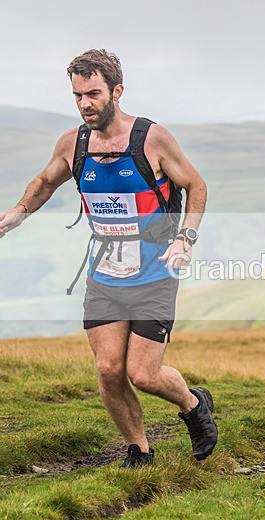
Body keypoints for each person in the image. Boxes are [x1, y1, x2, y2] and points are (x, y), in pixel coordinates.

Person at [0, 49, 216, 467]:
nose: (85, 103)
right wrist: (18, 212)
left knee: (143, 374)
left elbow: (196, 185)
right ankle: (140, 449)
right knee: (108, 370)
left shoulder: (151, 139)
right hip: (105, 272)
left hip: (156, 269)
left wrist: (185, 238)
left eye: (93, 93)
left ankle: (193, 404)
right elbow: (46, 180)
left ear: (117, 91)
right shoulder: (72, 143)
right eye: (78, 95)